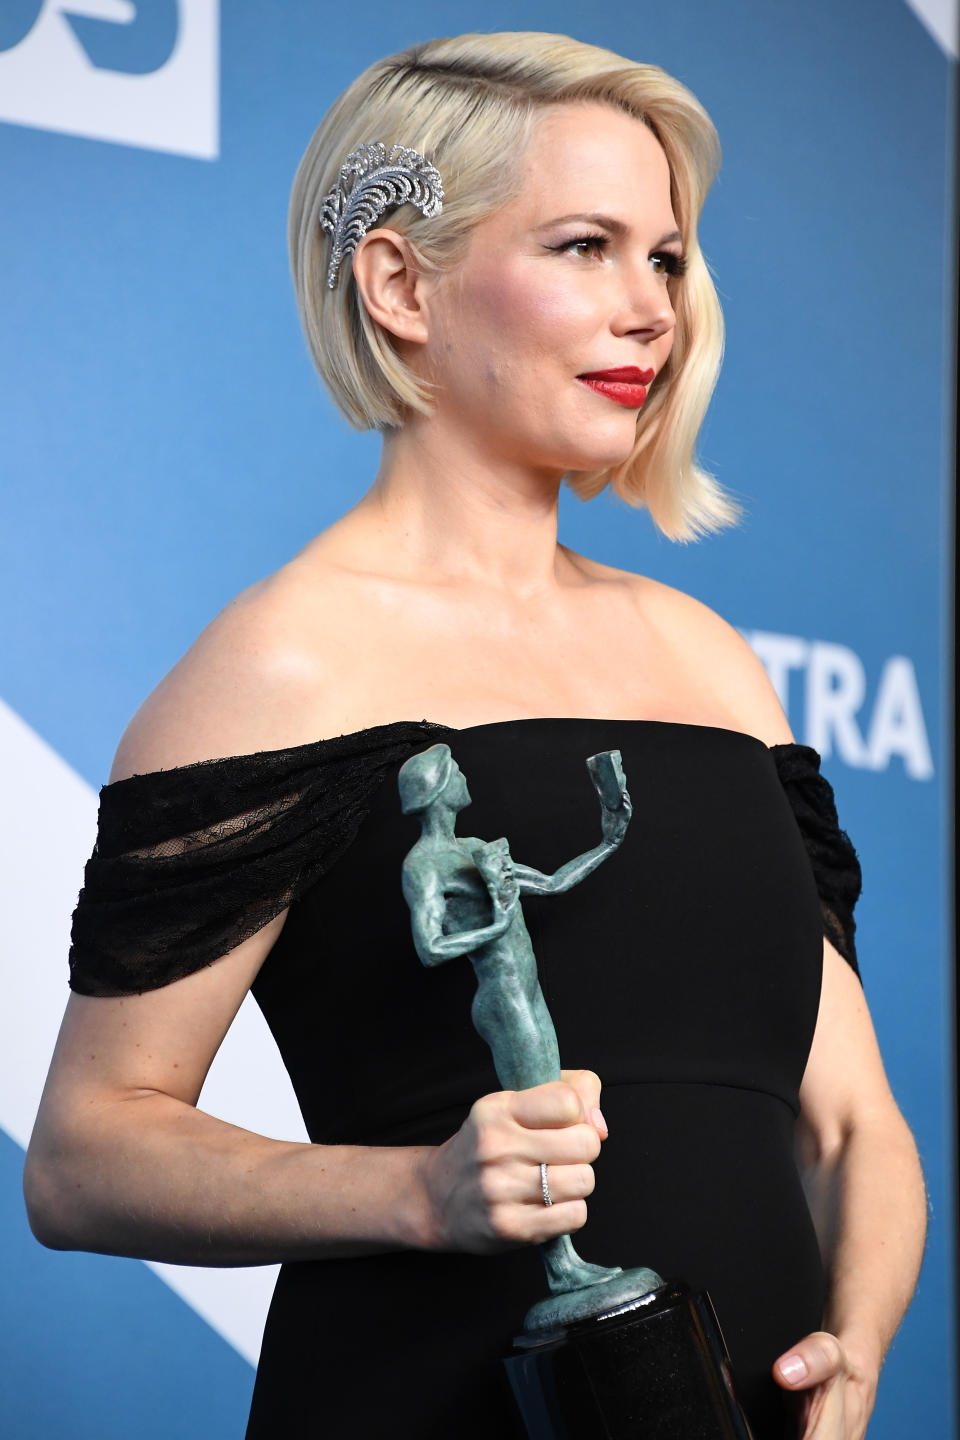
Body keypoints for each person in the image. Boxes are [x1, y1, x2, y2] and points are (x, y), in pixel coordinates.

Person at [24, 31, 926, 1440]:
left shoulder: (712, 663)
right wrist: (417, 1193)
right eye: (584, 247)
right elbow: (83, 1160)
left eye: (668, 260)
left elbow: (850, 1125)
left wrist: (856, 1348)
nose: (651, 313)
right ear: (399, 284)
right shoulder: (283, 660)